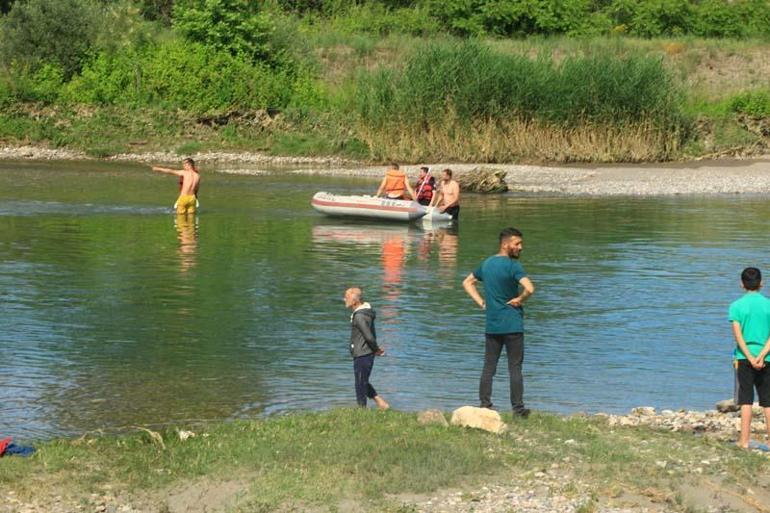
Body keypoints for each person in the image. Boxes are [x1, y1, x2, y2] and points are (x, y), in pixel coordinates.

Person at [462, 227, 535, 417]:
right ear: (505, 244)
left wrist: (481, 303)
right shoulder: (513, 266)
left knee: (489, 367)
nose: (521, 247)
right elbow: (529, 288)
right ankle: (518, 409)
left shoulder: (486, 264)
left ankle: (485, 405)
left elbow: (467, 282)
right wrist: (520, 299)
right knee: (515, 367)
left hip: (492, 324)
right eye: (517, 243)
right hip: (512, 324)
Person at [728, 267, 770, 449]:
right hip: (767, 358)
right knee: (768, 402)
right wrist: (761, 355)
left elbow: (738, 336)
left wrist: (750, 357)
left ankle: (743, 442)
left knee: (746, 401)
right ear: (762, 283)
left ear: (741, 284)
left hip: (744, 358)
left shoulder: (736, 306)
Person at [344, 287, 390, 410]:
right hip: (365, 353)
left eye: (347, 297)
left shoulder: (359, 316)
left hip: (363, 354)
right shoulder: (365, 313)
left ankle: (362, 410)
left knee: (360, 383)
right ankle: (381, 403)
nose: (345, 299)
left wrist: (376, 349)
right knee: (362, 381)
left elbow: (368, 336)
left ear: (354, 301)